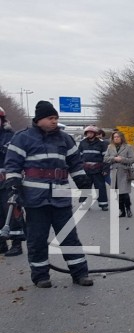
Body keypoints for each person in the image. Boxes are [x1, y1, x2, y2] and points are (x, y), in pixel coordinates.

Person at [4, 101, 93, 287]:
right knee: (37, 239)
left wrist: (84, 185)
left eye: (56, 118)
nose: (54, 122)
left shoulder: (65, 139)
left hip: (61, 198)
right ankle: (41, 276)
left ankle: (80, 273)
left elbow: (76, 164)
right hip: (35, 200)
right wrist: (13, 185)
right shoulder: (23, 138)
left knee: (69, 237)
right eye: (51, 118)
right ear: (39, 119)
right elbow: (12, 165)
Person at [0, 106, 25, 256]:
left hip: (7, 180)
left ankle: (17, 244)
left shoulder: (10, 136)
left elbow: (13, 158)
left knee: (12, 210)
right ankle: (1, 243)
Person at [105, 130, 134, 217]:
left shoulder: (128, 147)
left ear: (121, 138)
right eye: (115, 137)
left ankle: (128, 209)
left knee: (124, 192)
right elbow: (105, 158)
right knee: (118, 193)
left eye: (118, 137)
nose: (116, 138)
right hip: (114, 173)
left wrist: (122, 159)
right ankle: (122, 210)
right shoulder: (110, 147)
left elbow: (132, 159)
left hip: (124, 172)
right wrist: (114, 158)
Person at [78, 125, 109, 210]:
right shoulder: (82, 143)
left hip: (98, 170)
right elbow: (78, 156)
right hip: (86, 170)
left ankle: (103, 204)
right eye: (88, 132)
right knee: (85, 187)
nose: (89, 134)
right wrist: (79, 168)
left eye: (91, 132)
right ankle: (86, 204)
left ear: (95, 134)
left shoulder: (101, 143)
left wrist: (105, 169)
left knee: (100, 187)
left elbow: (105, 158)